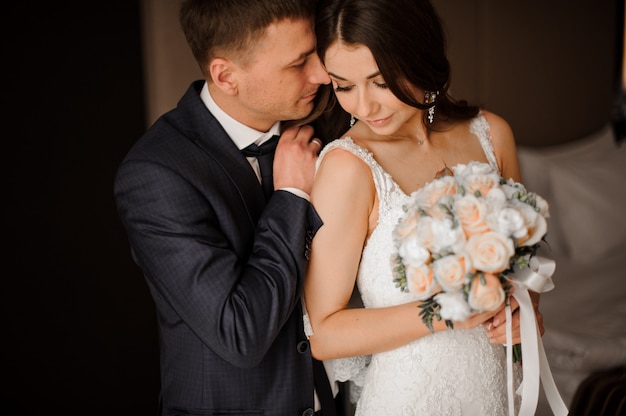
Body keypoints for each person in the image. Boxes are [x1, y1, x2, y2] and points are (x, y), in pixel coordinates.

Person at [303, 0, 545, 414]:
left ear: (420, 58)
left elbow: (521, 267)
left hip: (498, 393)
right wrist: (445, 313)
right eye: (343, 86)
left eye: (380, 83)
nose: (363, 107)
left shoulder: (492, 134)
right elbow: (325, 334)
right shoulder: (348, 167)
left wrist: (525, 312)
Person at [114, 0, 340, 414]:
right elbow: (241, 332)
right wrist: (290, 197)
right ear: (226, 75)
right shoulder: (156, 174)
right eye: (298, 63)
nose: (322, 74)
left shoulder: (329, 120)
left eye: (316, 52)